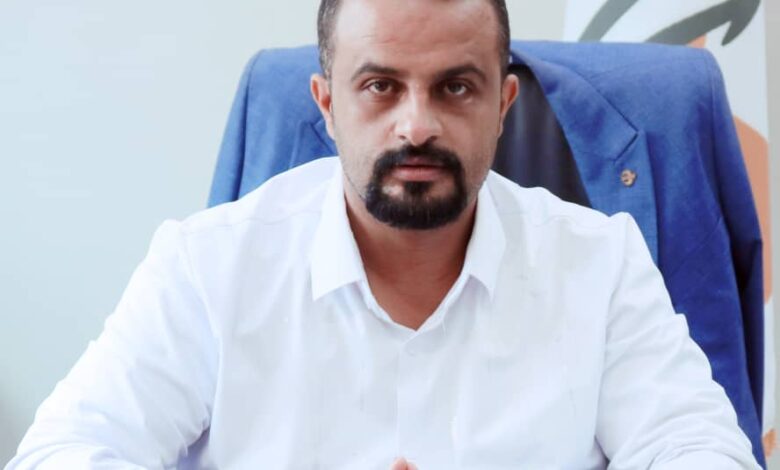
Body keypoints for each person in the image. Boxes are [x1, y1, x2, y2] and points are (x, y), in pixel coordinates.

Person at [6, 0, 761, 468]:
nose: (417, 125)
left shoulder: (600, 264)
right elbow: (65, 453)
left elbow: (700, 450)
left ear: (502, 105)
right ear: (327, 106)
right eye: (380, 86)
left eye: (455, 87)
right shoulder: (208, 265)